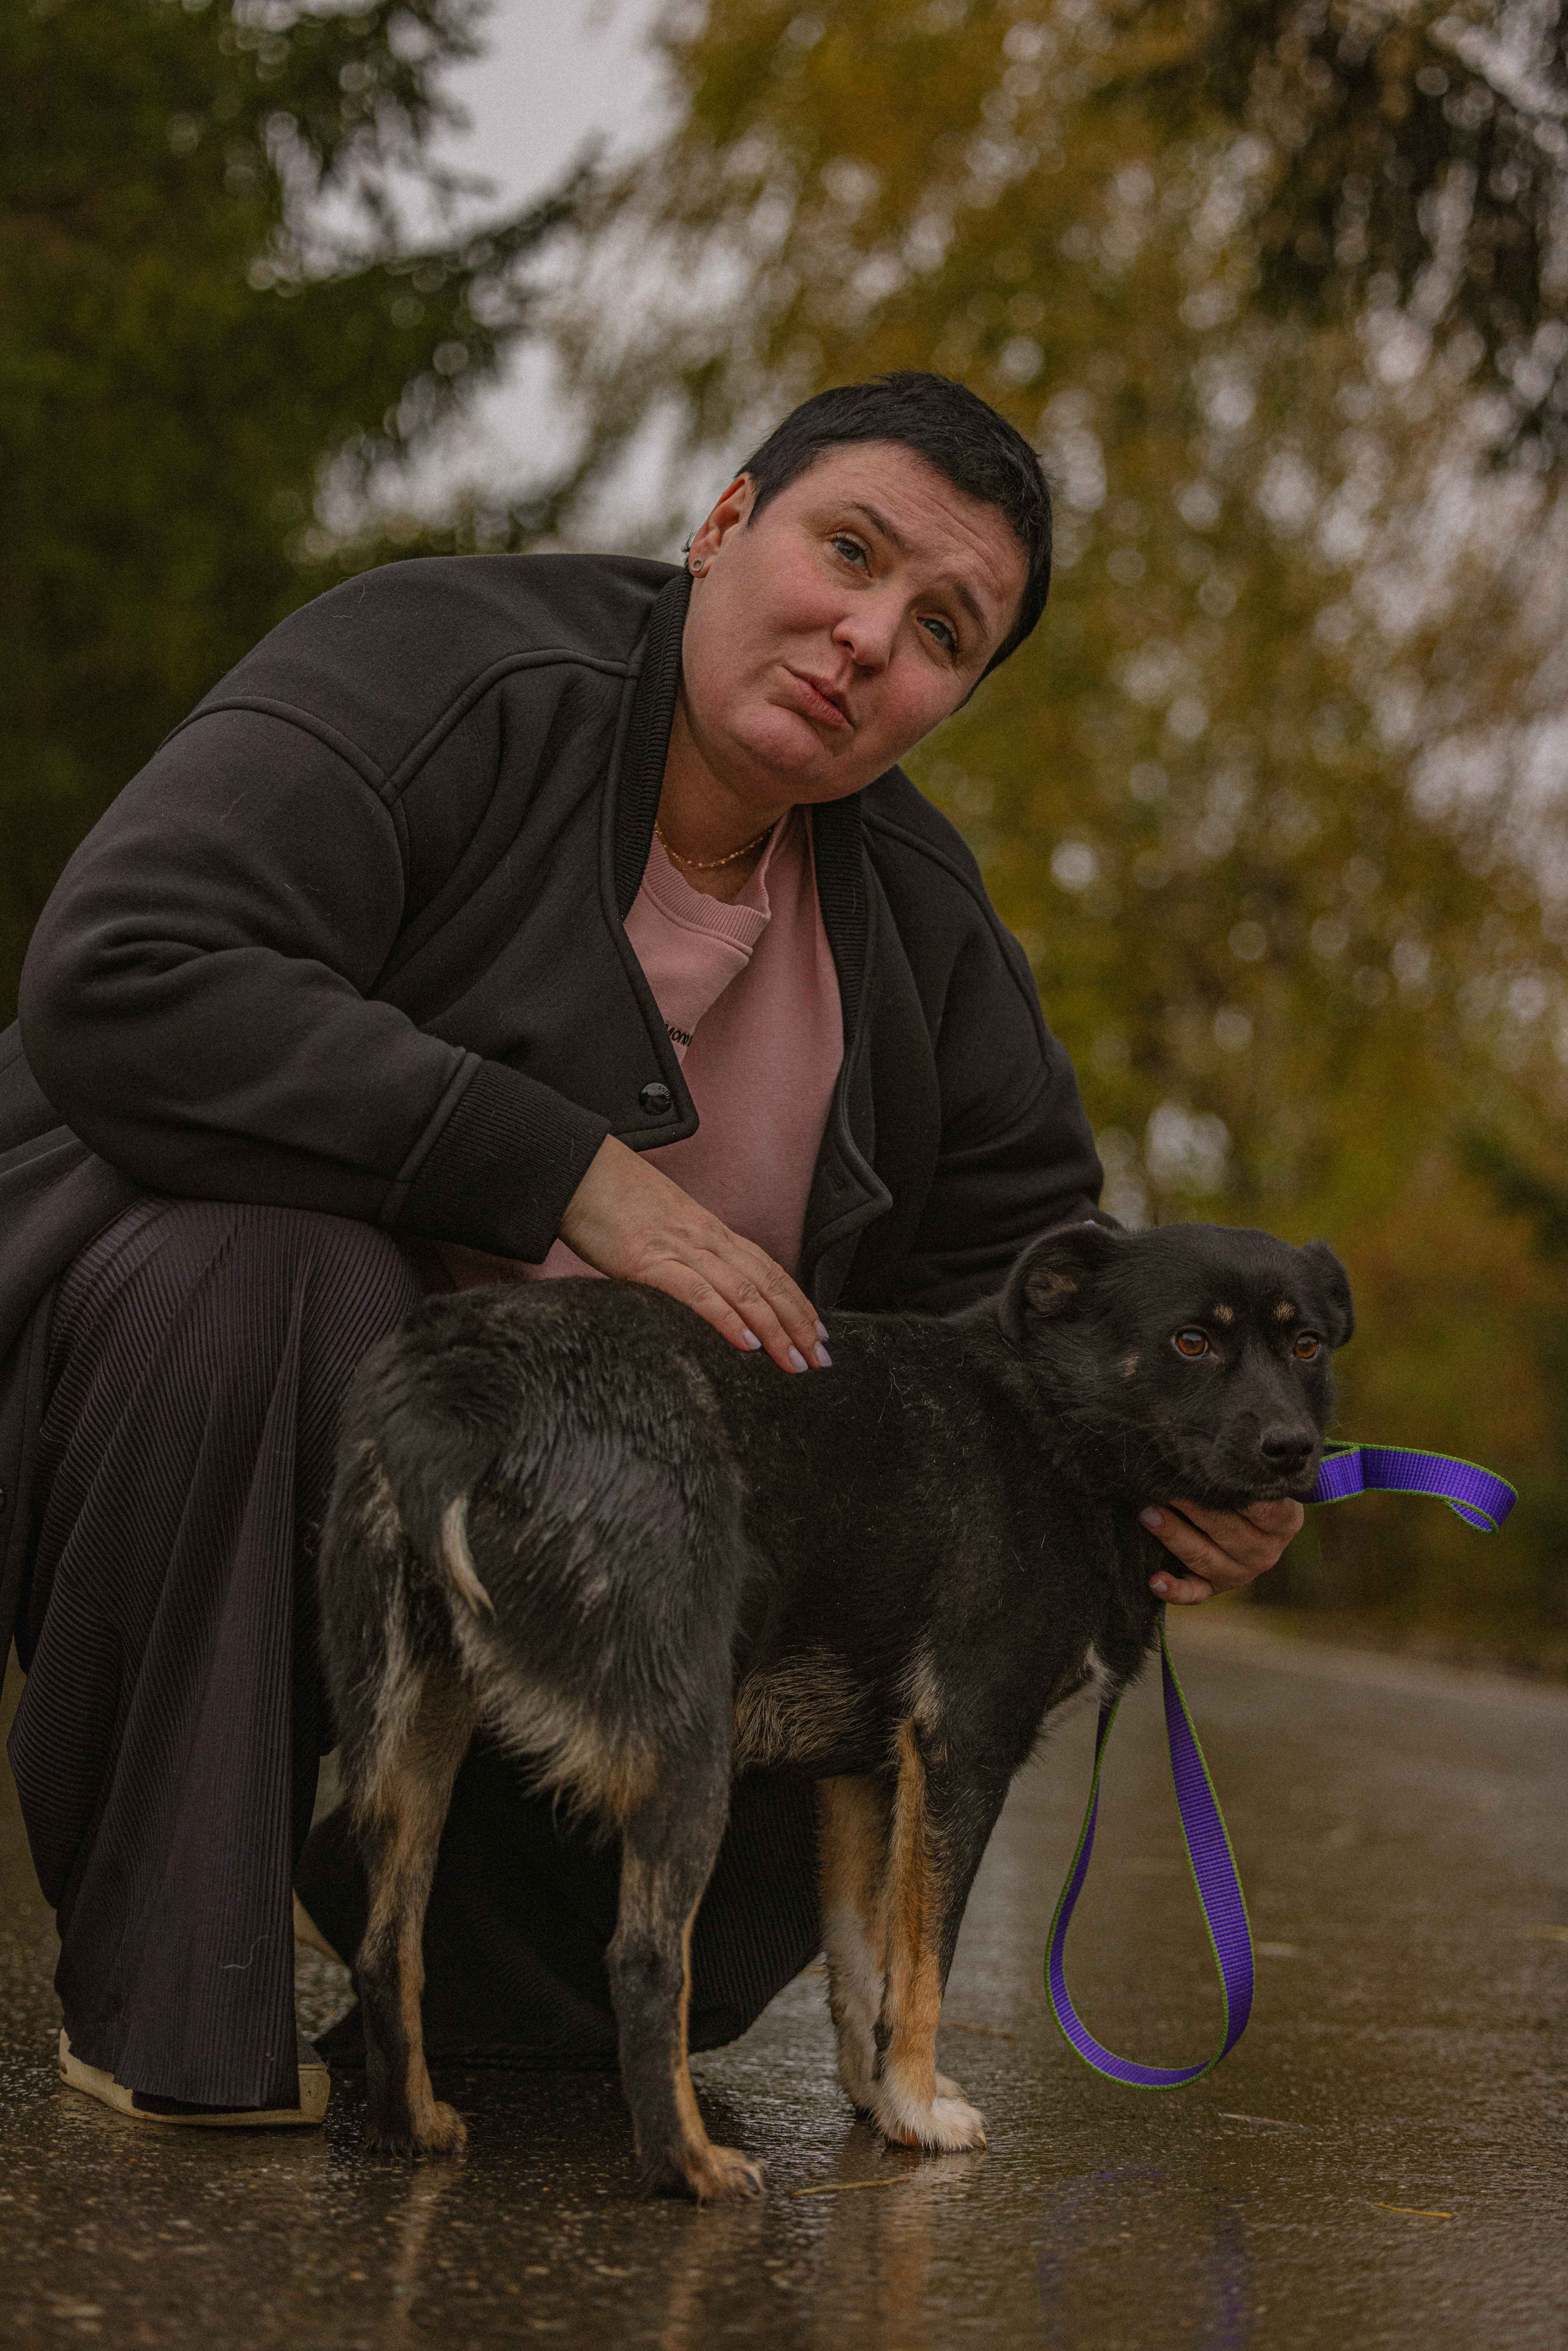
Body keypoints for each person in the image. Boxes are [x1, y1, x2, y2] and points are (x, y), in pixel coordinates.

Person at [0, 372, 1301, 2125]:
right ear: (719, 527)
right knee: (276, 1273)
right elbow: (130, 971)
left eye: (940, 630)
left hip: (594, 1540)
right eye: (846, 550)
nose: (865, 637)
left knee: (871, 1520)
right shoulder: (436, 664)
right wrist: (567, 1173)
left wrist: (1186, 1464)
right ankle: (176, 1998)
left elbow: (1027, 1318)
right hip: (189, 1384)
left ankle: (487, 1999)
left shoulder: (922, 930)